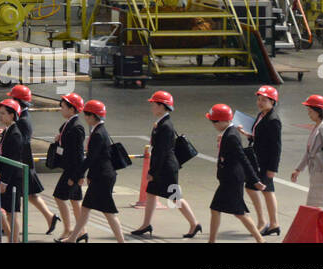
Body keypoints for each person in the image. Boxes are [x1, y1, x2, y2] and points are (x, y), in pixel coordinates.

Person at [132, 90, 201, 237]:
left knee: (175, 197)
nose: (152, 107)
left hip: (166, 168)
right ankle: (146, 224)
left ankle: (194, 224)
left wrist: (152, 172)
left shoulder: (165, 126)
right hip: (163, 166)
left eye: (154, 104)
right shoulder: (162, 123)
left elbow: (161, 152)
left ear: (162, 106)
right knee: (150, 193)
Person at [63, 99, 125, 243]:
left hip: (102, 177)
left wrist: (76, 175)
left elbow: (90, 159)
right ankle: (72, 238)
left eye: (86, 114)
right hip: (101, 175)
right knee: (86, 209)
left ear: (92, 116)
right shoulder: (100, 131)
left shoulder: (97, 134)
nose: (84, 117)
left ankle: (122, 241)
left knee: (108, 212)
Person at [206, 103, 265, 243]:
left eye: (215, 121)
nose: (213, 124)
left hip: (232, 180)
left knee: (239, 213)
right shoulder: (227, 133)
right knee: (216, 209)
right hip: (228, 179)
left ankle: (260, 240)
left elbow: (243, 158)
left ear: (224, 121)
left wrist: (255, 179)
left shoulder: (231, 135)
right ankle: (211, 241)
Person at [8, 84, 59, 234]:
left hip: (21, 162)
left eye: (12, 98)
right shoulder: (22, 117)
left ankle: (10, 225)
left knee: (17, 195)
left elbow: (20, 142)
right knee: (30, 194)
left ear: (18, 101)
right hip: (24, 162)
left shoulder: (23, 120)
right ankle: (50, 217)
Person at [291, 94, 323, 212]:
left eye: (310, 111)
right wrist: (299, 169)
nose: (309, 114)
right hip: (318, 172)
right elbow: (309, 151)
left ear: (318, 111)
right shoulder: (318, 126)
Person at [245, 85, 282, 235]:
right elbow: (261, 137)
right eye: (259, 99)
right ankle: (272, 223)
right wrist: (249, 135)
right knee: (266, 190)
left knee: (257, 189)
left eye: (264, 100)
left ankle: (265, 221)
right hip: (258, 159)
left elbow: (276, 146)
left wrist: (273, 168)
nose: (260, 102)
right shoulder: (262, 115)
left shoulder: (273, 120)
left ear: (272, 102)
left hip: (265, 162)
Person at [50, 93, 85, 242]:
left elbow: (78, 155)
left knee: (59, 196)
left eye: (63, 107)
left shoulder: (76, 127)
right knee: (74, 200)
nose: (61, 109)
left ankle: (68, 229)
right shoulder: (67, 125)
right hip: (70, 169)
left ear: (72, 109)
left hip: (73, 170)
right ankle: (82, 231)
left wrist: (77, 176)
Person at [0, 98, 26, 242]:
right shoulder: (7, 130)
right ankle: (10, 235)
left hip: (12, 178)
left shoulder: (15, 133)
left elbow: (13, 159)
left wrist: (4, 181)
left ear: (12, 115)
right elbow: (6, 153)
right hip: (6, 176)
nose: (1, 116)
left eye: (3, 113)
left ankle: (14, 239)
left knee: (12, 212)